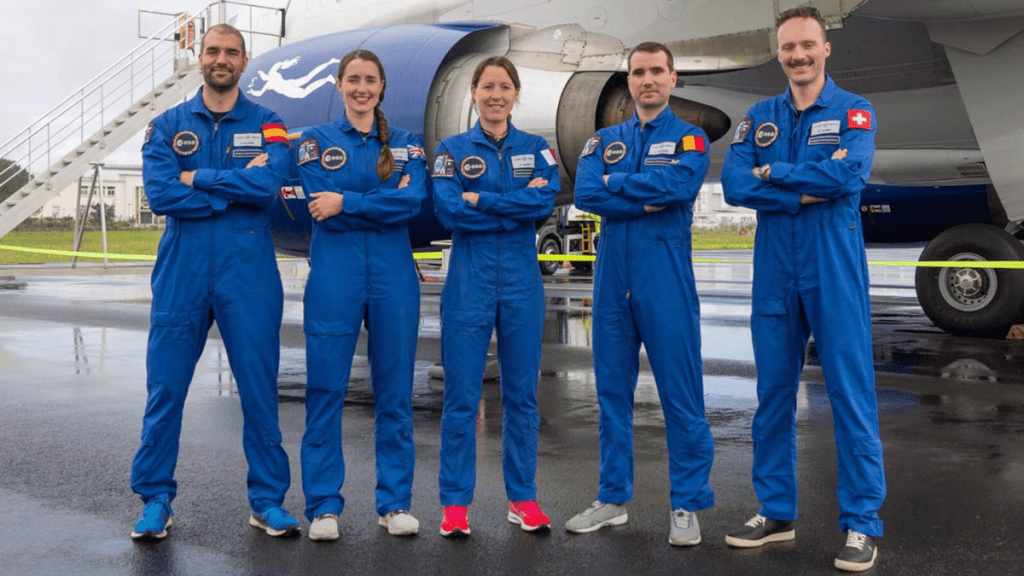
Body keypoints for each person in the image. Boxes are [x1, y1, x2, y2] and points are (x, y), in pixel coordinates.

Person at [720, 6, 886, 572]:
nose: (798, 56)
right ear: (779, 51)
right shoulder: (760, 117)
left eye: (807, 45)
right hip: (774, 266)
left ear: (825, 48)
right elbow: (736, 185)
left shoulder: (854, 111)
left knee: (849, 391)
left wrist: (776, 174)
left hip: (831, 262)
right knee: (771, 393)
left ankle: (862, 523)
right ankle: (775, 511)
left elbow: (850, 176)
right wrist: (797, 183)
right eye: (788, 47)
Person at [130, 24, 299, 541]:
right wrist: (232, 193)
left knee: (257, 390)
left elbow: (268, 183)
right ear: (199, 58)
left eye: (231, 52)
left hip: (246, 268)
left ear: (244, 61)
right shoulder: (166, 125)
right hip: (183, 267)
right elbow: (160, 193)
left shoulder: (270, 124)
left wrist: (197, 178)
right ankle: (155, 498)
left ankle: (267, 501)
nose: (221, 59)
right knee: (165, 389)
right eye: (212, 51)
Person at [565, 42, 714, 546]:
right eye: (638, 72)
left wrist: (619, 187)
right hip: (611, 285)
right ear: (629, 81)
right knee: (611, 396)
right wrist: (643, 194)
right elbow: (587, 194)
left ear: (672, 79)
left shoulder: (691, 139)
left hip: (665, 281)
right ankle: (612, 499)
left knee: (681, 396)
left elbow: (679, 188)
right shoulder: (602, 140)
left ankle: (687, 505)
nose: (647, 80)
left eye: (657, 71)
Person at [296, 49, 428, 541]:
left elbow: (411, 203)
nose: (361, 89)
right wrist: (377, 205)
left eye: (370, 80)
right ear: (339, 84)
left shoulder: (409, 145)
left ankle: (394, 503)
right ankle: (324, 507)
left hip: (393, 276)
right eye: (353, 80)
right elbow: (317, 202)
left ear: (382, 86)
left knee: (395, 391)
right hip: (335, 274)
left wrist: (346, 201)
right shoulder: (313, 142)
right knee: (326, 390)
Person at [432, 56, 559, 538]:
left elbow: (544, 203)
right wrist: (512, 211)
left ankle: (523, 499)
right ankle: (455, 504)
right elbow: (448, 211)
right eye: (487, 86)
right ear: (473, 92)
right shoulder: (451, 149)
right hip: (470, 279)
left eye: (505, 87)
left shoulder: (537, 148)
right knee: (462, 397)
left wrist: (480, 200)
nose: (496, 95)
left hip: (523, 282)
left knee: (522, 398)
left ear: (515, 94)